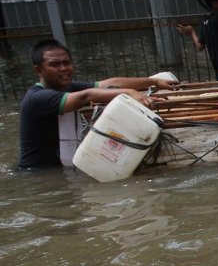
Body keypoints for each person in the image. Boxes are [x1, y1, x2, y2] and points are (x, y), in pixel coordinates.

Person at [18, 39, 176, 169]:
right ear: (38, 70)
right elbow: (85, 97)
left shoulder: (67, 88)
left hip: (61, 167)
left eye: (67, 63)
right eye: (55, 64)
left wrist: (153, 81)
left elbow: (111, 83)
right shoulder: (37, 98)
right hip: (39, 172)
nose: (64, 68)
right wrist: (129, 94)